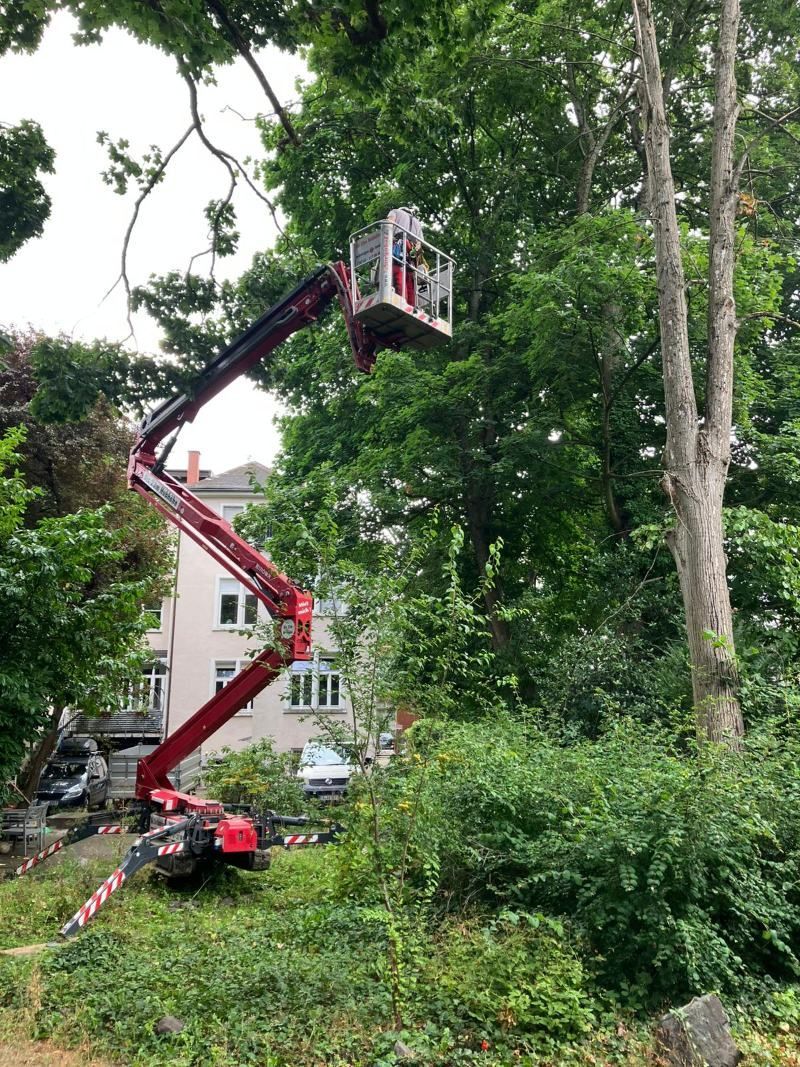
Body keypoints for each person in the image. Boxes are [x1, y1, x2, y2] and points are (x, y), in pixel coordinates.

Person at [387, 206, 423, 306]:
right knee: (410, 280)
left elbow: (388, 225)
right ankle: (411, 306)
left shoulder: (395, 212)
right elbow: (419, 244)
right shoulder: (417, 223)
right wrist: (413, 253)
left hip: (399, 247)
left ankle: (401, 302)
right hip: (412, 252)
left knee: (398, 274)